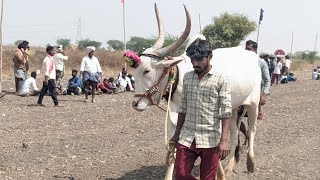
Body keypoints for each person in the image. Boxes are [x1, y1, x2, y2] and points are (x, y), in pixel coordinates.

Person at [170, 39, 232, 180]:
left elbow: (226, 110)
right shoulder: (188, 77)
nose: (195, 64)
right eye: (192, 59)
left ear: (210, 57)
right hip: (187, 136)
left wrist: (224, 140)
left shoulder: (221, 79)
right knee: (180, 174)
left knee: (208, 177)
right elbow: (183, 106)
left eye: (199, 59)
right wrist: (177, 133)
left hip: (210, 138)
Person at [245, 40, 270, 119]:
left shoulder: (261, 63)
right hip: (243, 92)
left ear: (255, 50)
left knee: (252, 117)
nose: (247, 51)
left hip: (256, 93)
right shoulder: (242, 61)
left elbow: (267, 80)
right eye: (246, 49)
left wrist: (264, 95)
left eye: (249, 49)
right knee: (236, 117)